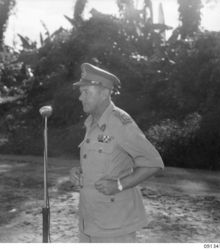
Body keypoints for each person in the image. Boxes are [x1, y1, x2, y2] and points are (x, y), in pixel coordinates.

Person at [70, 63, 164, 243]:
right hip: (90, 220)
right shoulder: (91, 122)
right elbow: (100, 161)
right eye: (81, 93)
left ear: (104, 93)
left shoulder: (121, 123)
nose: (81, 98)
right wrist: (78, 171)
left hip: (115, 225)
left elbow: (153, 163)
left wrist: (119, 185)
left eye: (86, 92)